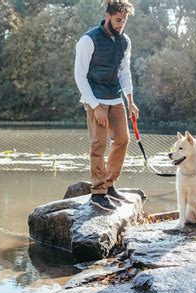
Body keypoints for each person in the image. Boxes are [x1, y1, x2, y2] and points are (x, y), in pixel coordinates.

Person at [74, 0, 139, 211]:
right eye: (118, 20)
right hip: (95, 98)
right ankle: (98, 192)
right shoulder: (88, 40)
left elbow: (124, 72)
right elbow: (80, 76)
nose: (121, 25)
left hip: (115, 98)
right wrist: (95, 106)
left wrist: (130, 102)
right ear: (108, 16)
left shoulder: (124, 41)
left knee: (122, 140)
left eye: (124, 21)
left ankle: (110, 185)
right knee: (98, 144)